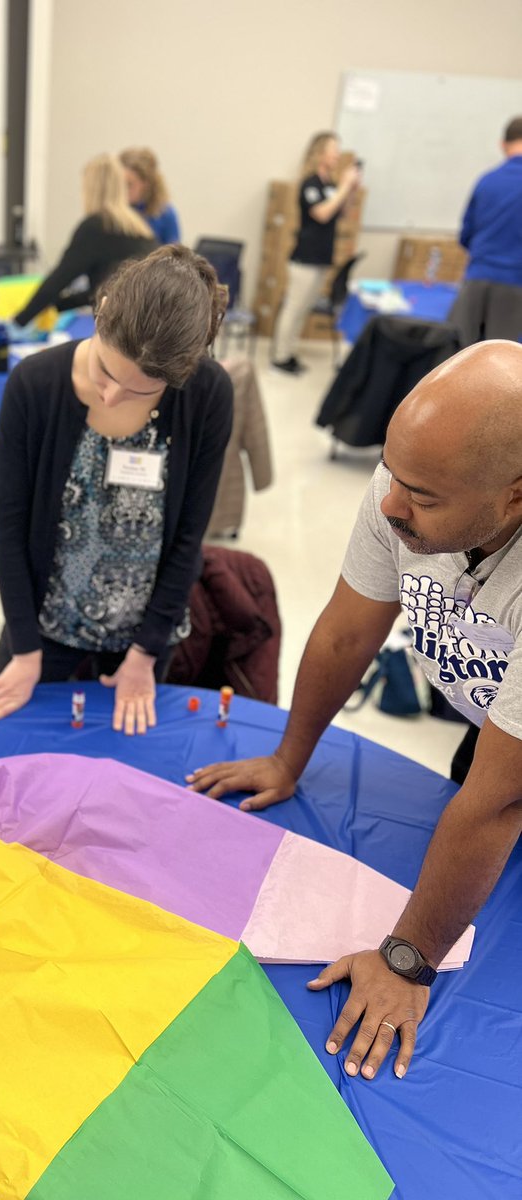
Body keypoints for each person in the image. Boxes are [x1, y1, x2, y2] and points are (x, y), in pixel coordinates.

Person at [187, 340, 522, 1081]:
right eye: (391, 473)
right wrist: (287, 757)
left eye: (424, 496)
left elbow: (497, 805)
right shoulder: (407, 485)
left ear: (515, 495)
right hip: (495, 724)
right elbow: (346, 630)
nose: (391, 504)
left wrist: (406, 963)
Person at [0, 245, 233, 735]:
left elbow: (189, 539)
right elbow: (8, 532)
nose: (110, 396)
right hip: (42, 631)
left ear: (180, 376)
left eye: (138, 390)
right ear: (102, 312)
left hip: (143, 640)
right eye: (106, 372)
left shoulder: (208, 394)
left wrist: (145, 652)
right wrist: (25, 651)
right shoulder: (33, 385)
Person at [13, 154, 156, 328]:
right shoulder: (138, 226)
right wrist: (58, 305)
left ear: (90, 189)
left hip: (118, 329)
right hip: (147, 325)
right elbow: (104, 288)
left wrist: (18, 321)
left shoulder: (96, 227)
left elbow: (58, 280)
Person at [271, 132, 361, 374]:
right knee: (294, 307)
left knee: (304, 309)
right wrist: (343, 186)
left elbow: (341, 212)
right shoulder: (309, 183)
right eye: (334, 149)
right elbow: (321, 213)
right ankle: (279, 358)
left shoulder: (329, 185)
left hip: (321, 258)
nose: (338, 154)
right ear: (320, 152)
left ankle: (289, 353)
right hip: (304, 259)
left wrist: (350, 189)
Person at [449, 116, 522, 347]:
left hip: (476, 280)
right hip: (514, 285)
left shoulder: (486, 181)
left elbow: (465, 236)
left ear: (503, 144)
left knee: (461, 358)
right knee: (499, 366)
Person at [120, 147, 181, 245]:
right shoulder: (110, 214)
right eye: (118, 184)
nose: (122, 191)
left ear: (146, 183)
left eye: (129, 185)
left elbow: (175, 257)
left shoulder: (165, 214)